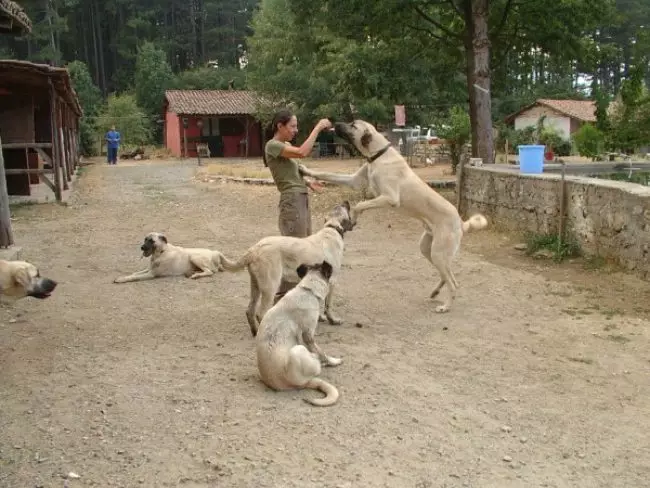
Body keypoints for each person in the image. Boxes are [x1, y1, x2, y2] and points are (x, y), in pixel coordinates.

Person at [263, 109, 331, 300]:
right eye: (292, 126)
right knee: (295, 249)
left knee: (304, 247)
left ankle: (296, 294)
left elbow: (294, 171)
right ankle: (283, 297)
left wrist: (309, 182)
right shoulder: (272, 145)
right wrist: (317, 128)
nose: (295, 129)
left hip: (299, 197)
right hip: (291, 200)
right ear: (280, 126)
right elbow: (302, 152)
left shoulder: (284, 145)